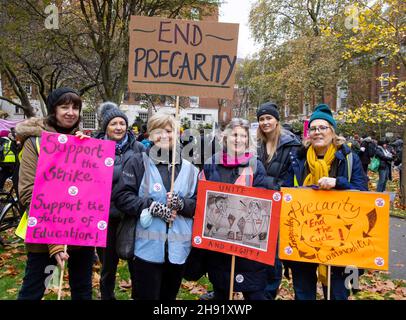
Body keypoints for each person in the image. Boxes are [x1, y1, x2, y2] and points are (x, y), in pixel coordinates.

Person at [16, 87, 94, 300]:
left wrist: (85, 150)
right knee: (33, 290)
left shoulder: (85, 144)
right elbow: (28, 193)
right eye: (64, 106)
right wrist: (55, 240)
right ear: (53, 110)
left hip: (81, 233)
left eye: (75, 107)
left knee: (83, 291)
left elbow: (93, 189)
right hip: (44, 236)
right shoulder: (35, 142)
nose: (71, 112)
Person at [286, 104, 368, 300]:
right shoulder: (299, 158)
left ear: (332, 131)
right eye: (313, 128)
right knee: (303, 292)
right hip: (305, 236)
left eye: (323, 127)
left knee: (338, 293)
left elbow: (363, 194)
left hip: (341, 238)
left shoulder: (348, 158)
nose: (317, 132)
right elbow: (288, 191)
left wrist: (338, 183)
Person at [114, 112, 199, 300]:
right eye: (157, 131)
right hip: (146, 249)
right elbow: (121, 196)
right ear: (150, 135)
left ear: (177, 134)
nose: (164, 136)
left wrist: (182, 204)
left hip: (178, 250)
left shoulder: (191, 169)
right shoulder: (137, 162)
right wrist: (151, 207)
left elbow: (199, 205)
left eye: (169, 131)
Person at [199, 118, 271, 300]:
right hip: (219, 243)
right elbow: (201, 196)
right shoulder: (211, 163)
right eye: (234, 135)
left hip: (247, 245)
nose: (238, 139)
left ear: (248, 140)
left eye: (243, 136)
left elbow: (262, 201)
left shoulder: (255, 165)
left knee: (254, 293)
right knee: (222, 291)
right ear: (225, 137)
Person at [94, 102, 145, 300]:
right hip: (104, 215)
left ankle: (137, 295)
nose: (118, 127)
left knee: (134, 260)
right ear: (105, 126)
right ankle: (106, 296)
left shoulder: (138, 147)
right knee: (108, 264)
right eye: (113, 123)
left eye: (122, 123)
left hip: (130, 215)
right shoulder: (95, 148)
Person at [256, 102, 302, 299]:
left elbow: (292, 180)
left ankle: (269, 293)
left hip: (278, 207)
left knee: (273, 256)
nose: (265, 122)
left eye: (269, 118)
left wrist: (263, 183)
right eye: (261, 119)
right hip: (256, 206)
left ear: (276, 120)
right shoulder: (255, 144)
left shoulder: (292, 145)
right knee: (256, 252)